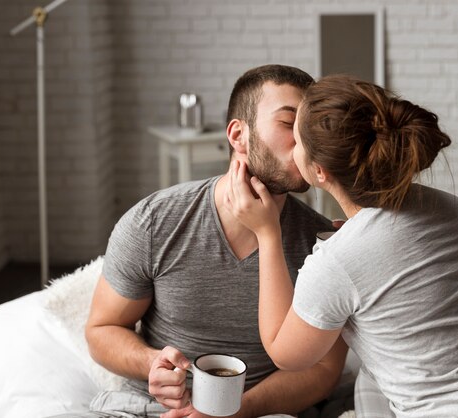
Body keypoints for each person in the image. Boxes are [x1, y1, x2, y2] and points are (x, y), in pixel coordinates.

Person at [225, 74, 458, 418]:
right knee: (369, 379)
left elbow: (286, 354)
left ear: (319, 172)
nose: (292, 147)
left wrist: (267, 235)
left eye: (297, 140)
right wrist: (359, 246)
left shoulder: (336, 262)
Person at [54, 65, 348, 418]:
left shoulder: (322, 243)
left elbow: (323, 370)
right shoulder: (155, 221)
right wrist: (152, 363)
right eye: (288, 125)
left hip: (262, 412)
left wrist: (234, 410)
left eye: (310, 130)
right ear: (239, 135)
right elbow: (101, 329)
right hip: (150, 408)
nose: (306, 144)